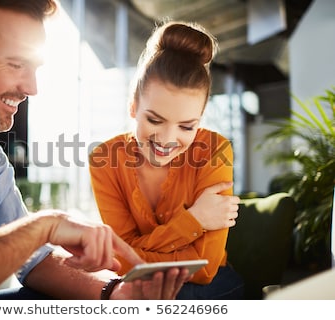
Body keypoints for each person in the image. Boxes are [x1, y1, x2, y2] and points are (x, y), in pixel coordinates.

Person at [0, 0, 193, 300]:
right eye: (16, 64)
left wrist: (116, 292)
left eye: (34, 68)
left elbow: (33, 258)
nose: (32, 88)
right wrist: (44, 226)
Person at [89, 20, 244, 299]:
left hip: (210, 286)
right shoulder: (104, 159)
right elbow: (120, 258)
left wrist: (138, 253)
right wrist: (194, 220)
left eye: (187, 126)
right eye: (154, 120)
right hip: (139, 287)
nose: (167, 139)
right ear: (133, 106)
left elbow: (205, 269)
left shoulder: (214, 149)